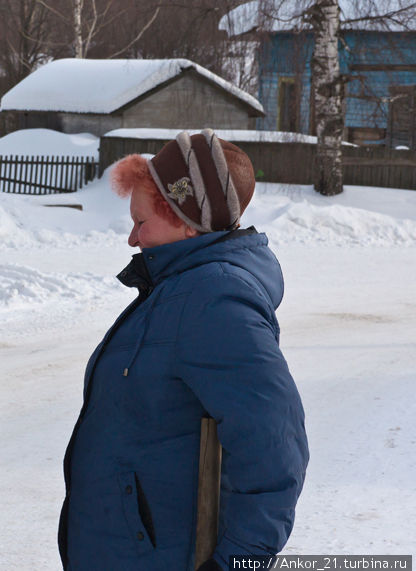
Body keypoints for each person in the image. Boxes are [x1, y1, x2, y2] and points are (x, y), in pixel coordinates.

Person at [58, 129, 309, 570]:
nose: (132, 240)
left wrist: (237, 562)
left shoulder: (215, 299)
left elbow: (273, 447)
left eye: (141, 222)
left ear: (187, 221)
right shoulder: (177, 288)